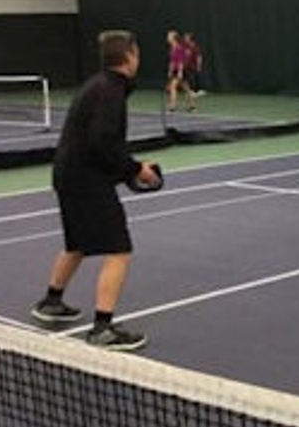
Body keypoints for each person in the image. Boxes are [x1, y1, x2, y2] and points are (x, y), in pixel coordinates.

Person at [31, 30, 159, 351]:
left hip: (69, 174)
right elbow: (102, 142)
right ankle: (103, 329)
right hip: (84, 180)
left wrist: (126, 169)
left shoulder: (98, 85)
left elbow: (97, 144)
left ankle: (51, 302)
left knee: (77, 243)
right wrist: (134, 170)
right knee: (119, 249)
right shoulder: (110, 91)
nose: (138, 59)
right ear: (129, 57)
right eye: (137, 53)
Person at [165, 29, 195, 112]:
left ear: (174, 38)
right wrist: (170, 70)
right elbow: (172, 61)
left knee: (173, 87)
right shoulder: (172, 48)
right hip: (175, 70)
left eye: (169, 36)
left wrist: (180, 72)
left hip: (181, 70)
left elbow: (181, 61)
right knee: (186, 88)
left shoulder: (179, 48)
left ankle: (172, 106)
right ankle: (192, 105)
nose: (167, 38)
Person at [183, 32, 206, 97]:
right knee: (188, 78)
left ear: (190, 39)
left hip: (194, 66)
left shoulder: (195, 46)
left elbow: (199, 56)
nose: (185, 38)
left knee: (194, 78)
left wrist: (199, 65)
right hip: (187, 66)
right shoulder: (184, 46)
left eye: (186, 37)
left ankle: (197, 91)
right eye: (185, 37)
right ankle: (190, 91)